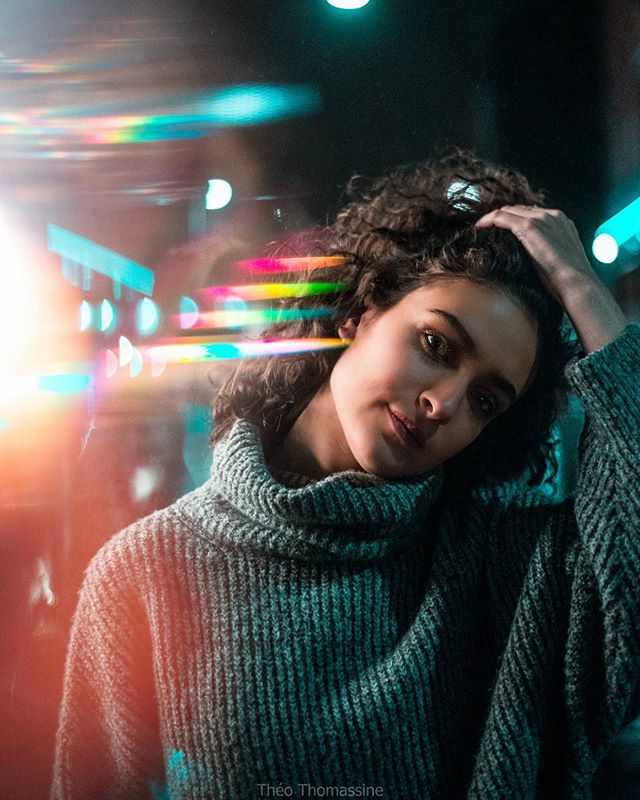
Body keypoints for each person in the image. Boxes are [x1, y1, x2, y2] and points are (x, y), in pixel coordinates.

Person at [50, 149, 640, 799]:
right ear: (361, 309)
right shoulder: (150, 568)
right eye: (436, 345)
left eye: (484, 401)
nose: (443, 404)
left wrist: (589, 299)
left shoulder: (508, 568)